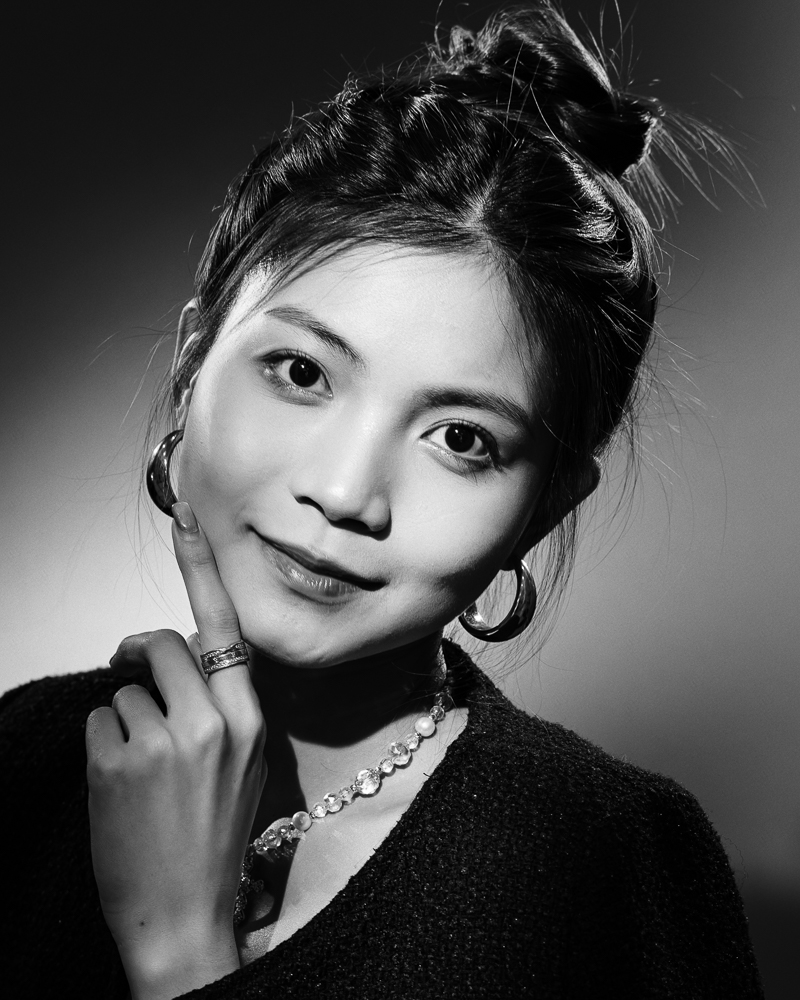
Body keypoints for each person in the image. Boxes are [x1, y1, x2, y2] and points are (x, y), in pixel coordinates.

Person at [1, 3, 764, 998]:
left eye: (459, 438)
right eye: (301, 373)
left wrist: (180, 956)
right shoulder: (20, 766)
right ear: (193, 372)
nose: (344, 491)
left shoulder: (603, 857)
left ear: (542, 506)